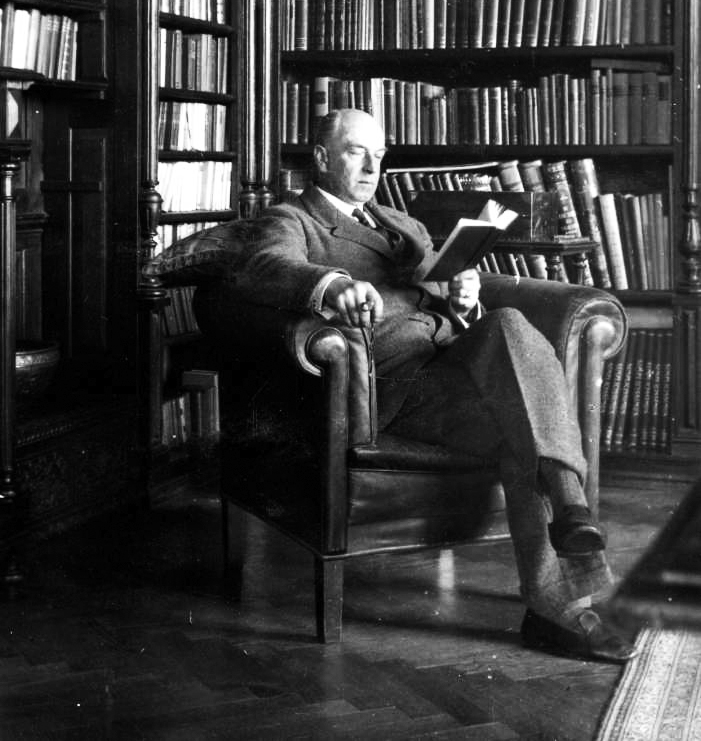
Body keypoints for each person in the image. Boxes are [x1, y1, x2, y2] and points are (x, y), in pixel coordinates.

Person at [231, 107, 637, 663]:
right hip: (393, 387)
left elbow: (446, 299)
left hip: (453, 366)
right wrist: (329, 285)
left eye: (380, 155)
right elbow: (263, 266)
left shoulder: (404, 225)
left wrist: (462, 300)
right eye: (357, 152)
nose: (372, 167)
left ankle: (554, 590)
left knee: (508, 334)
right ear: (322, 158)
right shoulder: (291, 219)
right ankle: (570, 537)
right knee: (522, 406)